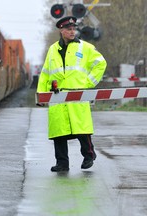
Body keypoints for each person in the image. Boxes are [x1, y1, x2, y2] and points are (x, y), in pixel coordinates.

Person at [36, 16, 107, 172]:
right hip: (57, 96)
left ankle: (89, 156)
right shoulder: (53, 49)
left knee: (82, 128)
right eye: (69, 29)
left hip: (77, 95)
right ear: (61, 30)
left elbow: (101, 64)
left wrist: (89, 82)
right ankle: (62, 163)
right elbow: (46, 73)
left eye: (74, 28)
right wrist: (41, 93)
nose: (72, 31)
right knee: (59, 133)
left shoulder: (85, 47)